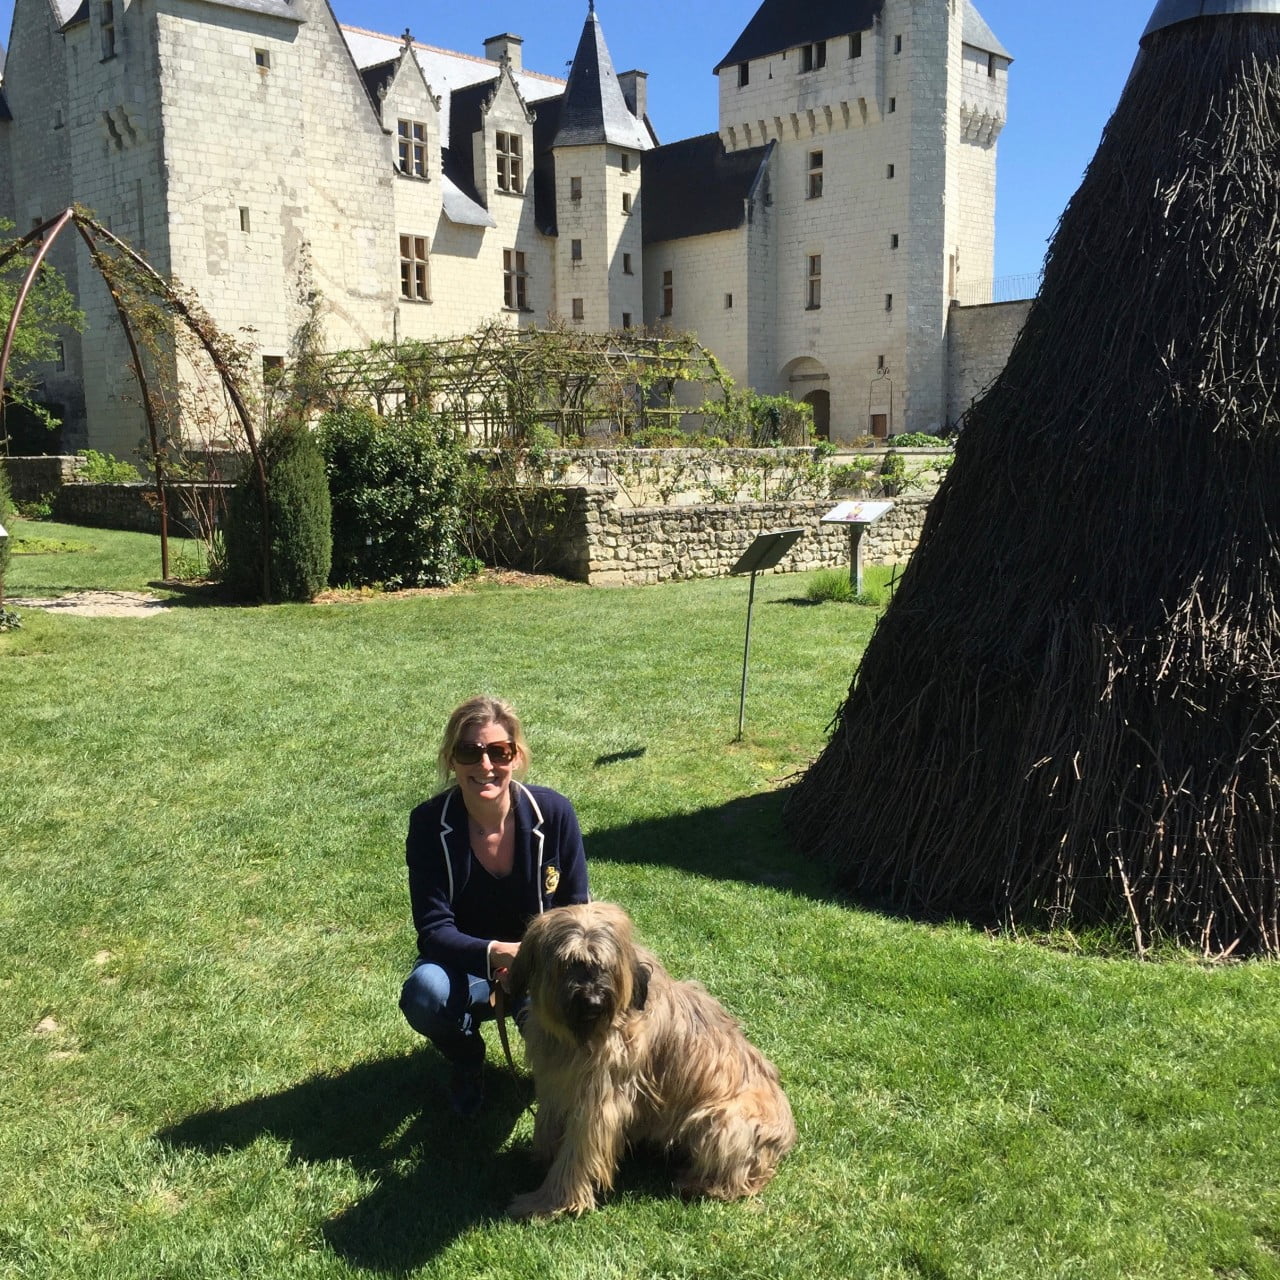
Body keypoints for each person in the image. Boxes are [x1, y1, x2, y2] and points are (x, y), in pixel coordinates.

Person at [399, 695, 590, 1115]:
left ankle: (561, 1077)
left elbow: (578, 912)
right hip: (464, 968)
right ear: (451, 761)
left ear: (516, 757)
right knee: (424, 994)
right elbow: (433, 930)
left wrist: (533, 963)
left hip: (541, 967)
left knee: (580, 1011)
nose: (485, 765)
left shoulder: (555, 813)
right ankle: (468, 1060)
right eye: (469, 751)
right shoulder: (429, 824)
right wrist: (493, 955)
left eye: (498, 752)